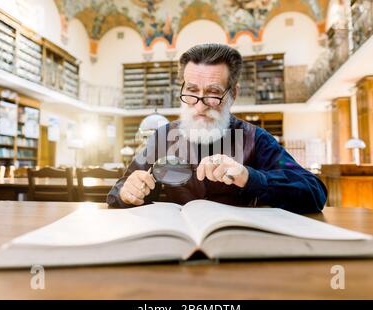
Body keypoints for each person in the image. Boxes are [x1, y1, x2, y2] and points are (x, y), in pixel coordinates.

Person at [107, 43, 327, 214]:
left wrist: (248, 177)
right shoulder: (163, 138)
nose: (200, 105)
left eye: (213, 93)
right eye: (192, 91)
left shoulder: (256, 139)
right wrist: (128, 192)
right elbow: (116, 193)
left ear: (233, 94)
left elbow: (314, 191)